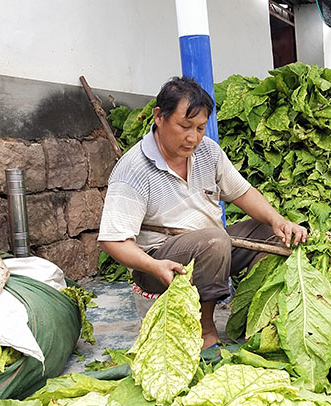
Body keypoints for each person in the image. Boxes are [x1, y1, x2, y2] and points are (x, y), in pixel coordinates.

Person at [98, 76, 307, 349]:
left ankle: (256, 317)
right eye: (184, 126)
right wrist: (153, 266)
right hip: (158, 264)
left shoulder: (208, 152)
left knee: (275, 234)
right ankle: (204, 329)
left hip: (213, 251)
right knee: (213, 240)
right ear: (159, 117)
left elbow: (242, 192)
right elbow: (112, 240)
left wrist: (278, 220)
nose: (193, 137)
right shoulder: (133, 170)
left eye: (199, 128)